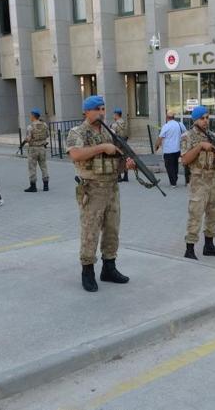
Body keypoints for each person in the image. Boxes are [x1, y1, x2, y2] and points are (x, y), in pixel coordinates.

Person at [67, 95, 135, 292]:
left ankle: (109, 267)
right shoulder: (77, 132)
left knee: (112, 229)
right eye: (97, 109)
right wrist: (103, 148)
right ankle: (87, 271)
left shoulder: (109, 132)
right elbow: (76, 154)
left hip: (112, 187)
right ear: (86, 111)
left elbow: (117, 161)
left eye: (103, 109)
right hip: (92, 188)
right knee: (90, 231)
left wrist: (127, 165)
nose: (101, 112)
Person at [181, 105, 215, 260]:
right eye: (202, 118)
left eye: (207, 118)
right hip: (198, 181)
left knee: (213, 214)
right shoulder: (188, 136)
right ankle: (190, 248)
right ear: (195, 120)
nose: (206, 121)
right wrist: (200, 146)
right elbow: (185, 160)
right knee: (195, 214)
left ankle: (209, 245)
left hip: (214, 179)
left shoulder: (213, 136)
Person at [23, 108, 50, 192]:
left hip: (33, 149)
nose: (30, 117)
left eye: (31, 115)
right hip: (42, 148)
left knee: (32, 167)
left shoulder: (30, 127)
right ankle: (46, 186)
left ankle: (33, 186)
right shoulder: (44, 125)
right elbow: (47, 135)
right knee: (44, 166)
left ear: (33, 116)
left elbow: (28, 138)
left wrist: (24, 142)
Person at [155, 110, 183, 188]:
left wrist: (156, 146)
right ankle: (175, 178)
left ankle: (173, 182)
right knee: (175, 165)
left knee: (169, 166)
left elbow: (160, 138)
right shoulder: (179, 124)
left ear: (167, 117)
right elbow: (185, 133)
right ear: (174, 117)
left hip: (168, 151)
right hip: (177, 149)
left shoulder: (166, 126)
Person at [110, 108, 129, 182]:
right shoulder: (125, 123)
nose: (113, 116)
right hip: (125, 142)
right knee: (125, 158)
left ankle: (119, 176)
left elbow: (112, 135)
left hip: (117, 144)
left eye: (114, 115)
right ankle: (126, 175)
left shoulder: (114, 125)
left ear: (116, 115)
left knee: (117, 159)